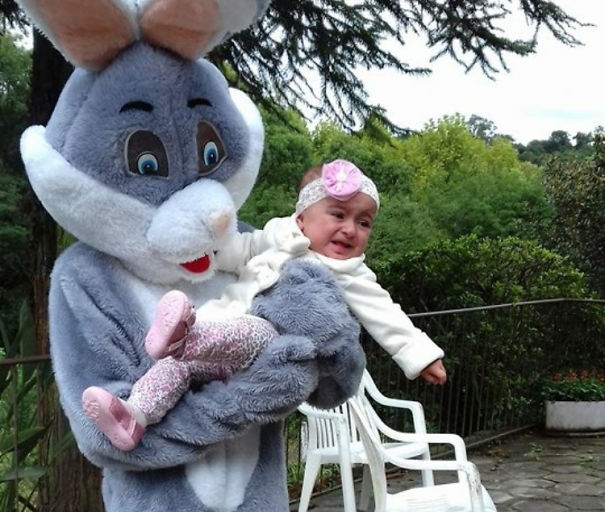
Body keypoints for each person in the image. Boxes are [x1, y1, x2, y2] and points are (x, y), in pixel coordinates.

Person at [83, 160, 446, 450]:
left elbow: (385, 313)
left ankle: (182, 338)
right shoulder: (276, 235)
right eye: (338, 215)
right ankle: (135, 416)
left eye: (363, 222)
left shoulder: (351, 272)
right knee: (175, 367)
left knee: (246, 331)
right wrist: (198, 250)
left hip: (266, 349)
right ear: (302, 217)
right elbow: (237, 250)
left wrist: (420, 355)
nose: (350, 230)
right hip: (222, 325)